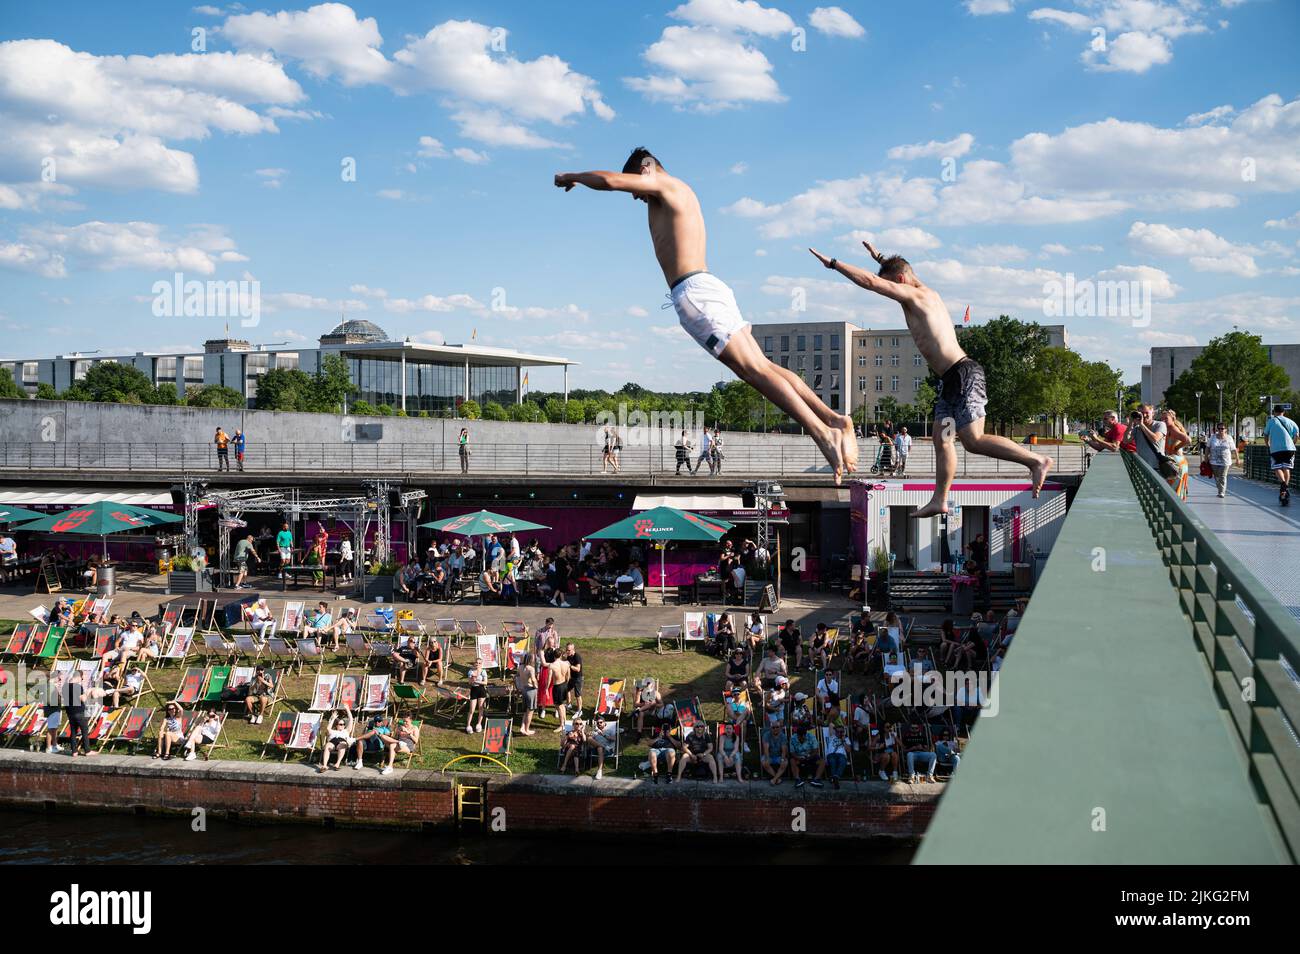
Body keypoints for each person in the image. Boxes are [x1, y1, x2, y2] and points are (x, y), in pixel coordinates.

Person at [556, 149, 857, 482]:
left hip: (696, 296)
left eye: (637, 190)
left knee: (755, 371)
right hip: (708, 288)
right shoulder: (680, 192)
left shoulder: (665, 185)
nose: (637, 197)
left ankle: (821, 432)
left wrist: (573, 177)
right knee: (767, 368)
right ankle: (835, 420)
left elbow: (610, 181)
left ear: (646, 169)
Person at [808, 240, 1052, 508]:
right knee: (942, 438)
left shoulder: (915, 296)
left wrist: (833, 264)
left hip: (963, 374)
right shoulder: (923, 290)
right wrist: (880, 258)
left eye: (894, 285)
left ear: (900, 280)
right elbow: (900, 272)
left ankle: (1036, 461)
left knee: (973, 440)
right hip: (950, 380)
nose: (892, 292)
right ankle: (940, 499)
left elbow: (871, 283)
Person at [1264, 405, 1298, 506]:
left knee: (1277, 467)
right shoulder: (1291, 422)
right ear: (1284, 412)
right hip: (1290, 448)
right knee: (1286, 468)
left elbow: (1266, 434)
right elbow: (1296, 436)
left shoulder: (1271, 421)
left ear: (1274, 412)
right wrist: (1292, 443)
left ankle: (1283, 485)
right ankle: (1285, 488)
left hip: (1275, 449)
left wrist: (1268, 445)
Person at [1159, 408, 1191, 500]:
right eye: (1162, 419)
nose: (1163, 420)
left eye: (1166, 419)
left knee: (1174, 492)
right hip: (1175, 462)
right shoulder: (1168, 429)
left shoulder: (1173, 429)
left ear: (1173, 419)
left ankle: (1176, 511)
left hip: (1177, 462)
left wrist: (1177, 447)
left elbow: (1188, 440)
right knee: (1174, 491)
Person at [1206, 422, 1236, 498]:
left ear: (1225, 429)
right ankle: (1220, 489)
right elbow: (1207, 447)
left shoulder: (1229, 438)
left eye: (1222, 428)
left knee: (1222, 476)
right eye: (1219, 428)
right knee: (1216, 477)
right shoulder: (1212, 437)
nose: (1220, 430)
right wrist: (1206, 457)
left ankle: (1221, 492)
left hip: (1225, 461)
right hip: (1214, 461)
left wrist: (1237, 458)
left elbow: (1233, 449)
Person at [788, 724, 823, 789]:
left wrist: (809, 756)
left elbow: (815, 750)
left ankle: (816, 779)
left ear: (805, 733)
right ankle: (797, 780)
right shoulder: (793, 738)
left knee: (822, 761)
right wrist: (798, 757)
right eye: (800, 736)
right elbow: (792, 752)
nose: (802, 737)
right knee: (792, 760)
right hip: (798, 757)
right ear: (797, 734)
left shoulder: (811, 737)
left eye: (804, 735)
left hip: (810, 756)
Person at [585, 713, 617, 780]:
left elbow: (614, 739)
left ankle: (599, 771)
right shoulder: (594, 732)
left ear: (604, 723)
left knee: (600, 748)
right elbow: (589, 742)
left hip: (608, 750)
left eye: (601, 722)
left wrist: (603, 734)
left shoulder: (610, 731)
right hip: (596, 750)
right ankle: (602, 747)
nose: (599, 724)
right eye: (597, 723)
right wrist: (588, 735)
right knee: (589, 738)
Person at [819, 724, 850, 788]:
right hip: (831, 754)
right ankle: (836, 777)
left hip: (841, 755)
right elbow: (830, 724)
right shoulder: (831, 736)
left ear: (843, 732)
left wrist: (843, 740)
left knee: (842, 761)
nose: (839, 733)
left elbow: (848, 750)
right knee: (832, 762)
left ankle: (835, 777)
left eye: (841, 732)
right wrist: (838, 727)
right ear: (835, 731)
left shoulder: (846, 739)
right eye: (837, 731)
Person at [760, 718, 788, 785]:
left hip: (779, 756)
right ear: (770, 728)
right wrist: (767, 758)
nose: (775, 729)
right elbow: (766, 749)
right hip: (769, 755)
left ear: (780, 728)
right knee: (764, 762)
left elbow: (784, 750)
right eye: (773, 727)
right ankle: (777, 778)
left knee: (785, 762)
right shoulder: (766, 735)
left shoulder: (783, 736)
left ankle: (774, 779)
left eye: (777, 727)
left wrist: (782, 758)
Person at [516, 651, 538, 736]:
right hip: (530, 690)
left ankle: (522, 726)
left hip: (524, 689)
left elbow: (517, 675)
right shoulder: (531, 669)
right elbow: (533, 679)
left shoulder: (520, 666)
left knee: (525, 710)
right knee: (530, 711)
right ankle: (527, 729)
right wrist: (536, 686)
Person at [465, 659, 488, 734]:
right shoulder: (471, 671)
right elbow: (469, 683)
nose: (478, 664)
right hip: (474, 690)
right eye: (476, 663)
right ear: (474, 663)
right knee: (472, 709)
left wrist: (477, 681)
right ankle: (468, 725)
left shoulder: (483, 671)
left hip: (481, 690)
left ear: (481, 664)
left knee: (481, 708)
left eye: (479, 663)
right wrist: (472, 680)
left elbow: (485, 682)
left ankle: (479, 724)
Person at [565, 643, 584, 719]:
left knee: (578, 695)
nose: (567, 651)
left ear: (573, 650)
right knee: (566, 689)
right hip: (572, 678)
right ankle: (569, 704)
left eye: (569, 650)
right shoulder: (569, 656)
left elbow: (578, 669)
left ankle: (579, 711)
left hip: (578, 678)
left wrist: (569, 665)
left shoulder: (577, 657)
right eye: (566, 650)